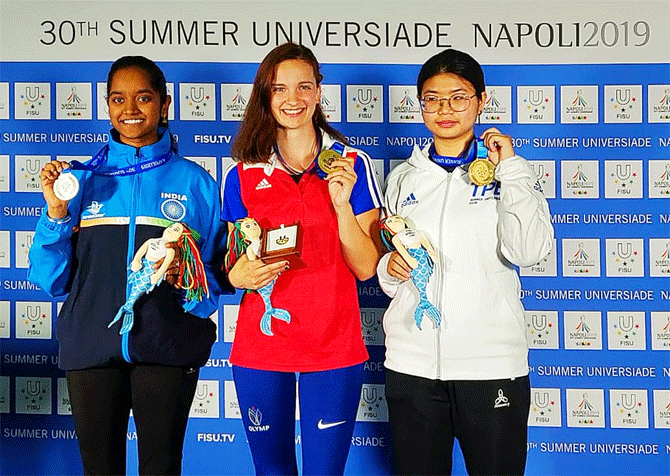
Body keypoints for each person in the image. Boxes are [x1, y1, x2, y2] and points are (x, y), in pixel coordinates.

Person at [27, 55, 229, 476]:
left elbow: (215, 279)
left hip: (167, 346)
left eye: (143, 97)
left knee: (161, 467)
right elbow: (52, 279)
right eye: (118, 99)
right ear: (107, 105)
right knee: (99, 469)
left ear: (165, 104)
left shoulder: (196, 183)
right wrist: (56, 213)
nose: (130, 109)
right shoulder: (82, 179)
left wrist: (189, 289)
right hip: (91, 345)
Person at [377, 49, 554, 476]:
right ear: (420, 104)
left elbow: (529, 251)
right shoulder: (403, 177)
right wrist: (390, 270)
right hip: (412, 366)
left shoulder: (507, 173)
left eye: (458, 97)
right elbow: (390, 268)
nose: (444, 110)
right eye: (432, 99)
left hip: (490, 367)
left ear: (481, 100)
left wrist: (509, 168)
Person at [221, 42, 383, 476]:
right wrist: (239, 274)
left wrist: (343, 205)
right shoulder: (241, 174)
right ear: (265, 96)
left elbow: (367, 266)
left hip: (333, 345)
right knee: (271, 472)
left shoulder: (352, 163)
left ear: (317, 92)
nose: (292, 99)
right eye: (279, 89)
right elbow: (233, 266)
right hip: (261, 346)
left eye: (303, 87)